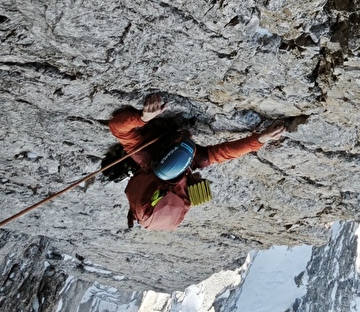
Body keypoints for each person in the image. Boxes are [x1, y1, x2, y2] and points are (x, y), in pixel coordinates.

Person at [107, 93, 285, 231]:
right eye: (184, 139)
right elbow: (224, 153)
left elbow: (118, 128)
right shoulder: (192, 164)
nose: (186, 134)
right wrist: (261, 139)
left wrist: (143, 118)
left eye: (182, 139)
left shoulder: (145, 158)